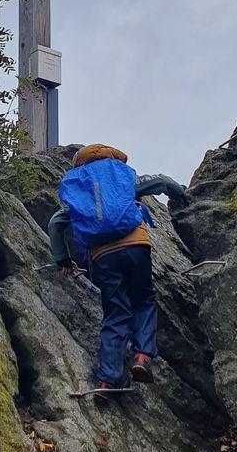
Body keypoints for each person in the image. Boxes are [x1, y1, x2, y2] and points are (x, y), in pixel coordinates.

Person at [48, 144, 188, 393]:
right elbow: (162, 181)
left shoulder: (76, 186)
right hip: (136, 246)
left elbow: (55, 223)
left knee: (115, 312)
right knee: (143, 301)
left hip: (102, 256)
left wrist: (62, 259)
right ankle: (142, 356)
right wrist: (181, 195)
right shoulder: (120, 173)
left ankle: (108, 378)